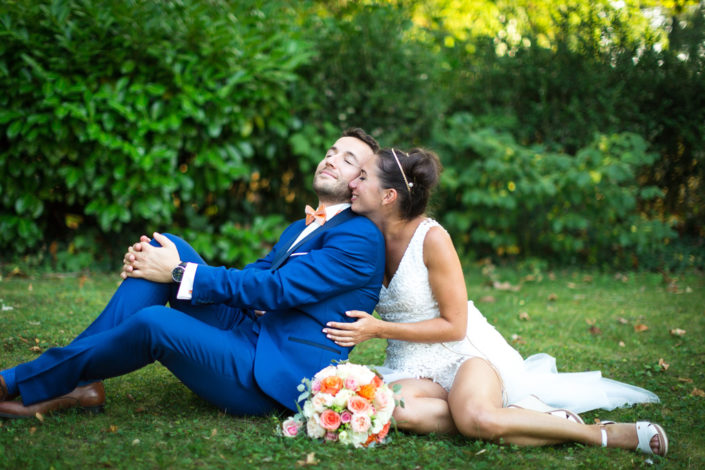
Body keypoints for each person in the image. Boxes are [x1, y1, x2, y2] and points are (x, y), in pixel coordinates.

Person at [0, 128, 385, 419]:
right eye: (331, 151)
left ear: (361, 182)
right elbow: (255, 276)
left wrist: (180, 273)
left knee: (156, 321)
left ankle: (19, 380)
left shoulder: (359, 235)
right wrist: (170, 265)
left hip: (268, 370)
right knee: (165, 244)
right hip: (247, 328)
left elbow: (277, 288)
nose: (331, 158)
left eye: (349, 159)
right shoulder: (302, 226)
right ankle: (79, 383)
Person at [322, 147, 668, 456]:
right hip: (411, 366)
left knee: (476, 420)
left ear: (389, 196)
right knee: (389, 408)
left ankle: (600, 434)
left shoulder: (432, 239)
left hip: (465, 357)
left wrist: (379, 329)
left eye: (363, 177)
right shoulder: (364, 239)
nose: (353, 182)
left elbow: (454, 326)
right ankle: (531, 420)